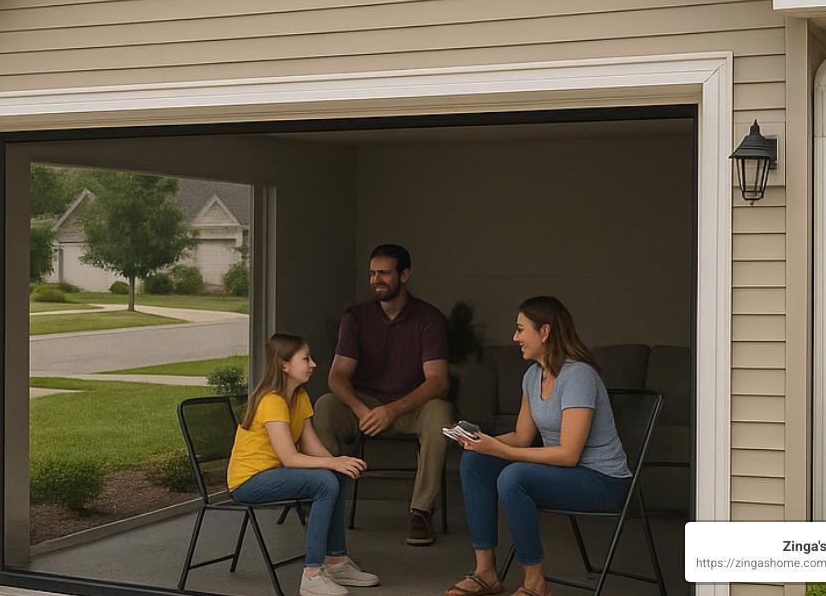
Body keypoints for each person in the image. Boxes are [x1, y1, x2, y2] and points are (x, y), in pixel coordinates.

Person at [444, 296, 632, 596]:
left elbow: (569, 454)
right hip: (565, 475)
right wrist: (480, 442)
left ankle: (535, 583)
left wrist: (501, 451)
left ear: (544, 332)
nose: (514, 337)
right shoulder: (532, 376)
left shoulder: (579, 376)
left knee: (514, 476)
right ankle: (485, 572)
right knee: (475, 462)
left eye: (521, 330)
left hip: (603, 482)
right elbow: (521, 437)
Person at [313, 244, 453, 546]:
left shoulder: (429, 318)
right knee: (325, 406)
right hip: (366, 406)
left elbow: (439, 382)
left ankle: (421, 511)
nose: (376, 280)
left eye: (384, 273)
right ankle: (328, 496)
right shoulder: (357, 317)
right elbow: (337, 376)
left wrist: (392, 410)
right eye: (372, 273)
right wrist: (360, 409)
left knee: (441, 413)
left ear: (405, 276)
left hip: (411, 406)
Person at [228, 333, 380, 596]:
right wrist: (332, 464)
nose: (313, 364)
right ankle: (312, 575)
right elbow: (290, 457)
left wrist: (338, 463)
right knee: (324, 481)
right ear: (284, 365)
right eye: (306, 359)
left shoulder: (299, 397)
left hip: (275, 474)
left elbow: (310, 445)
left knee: (334, 474)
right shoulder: (271, 401)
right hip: (249, 481)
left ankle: (336, 562)